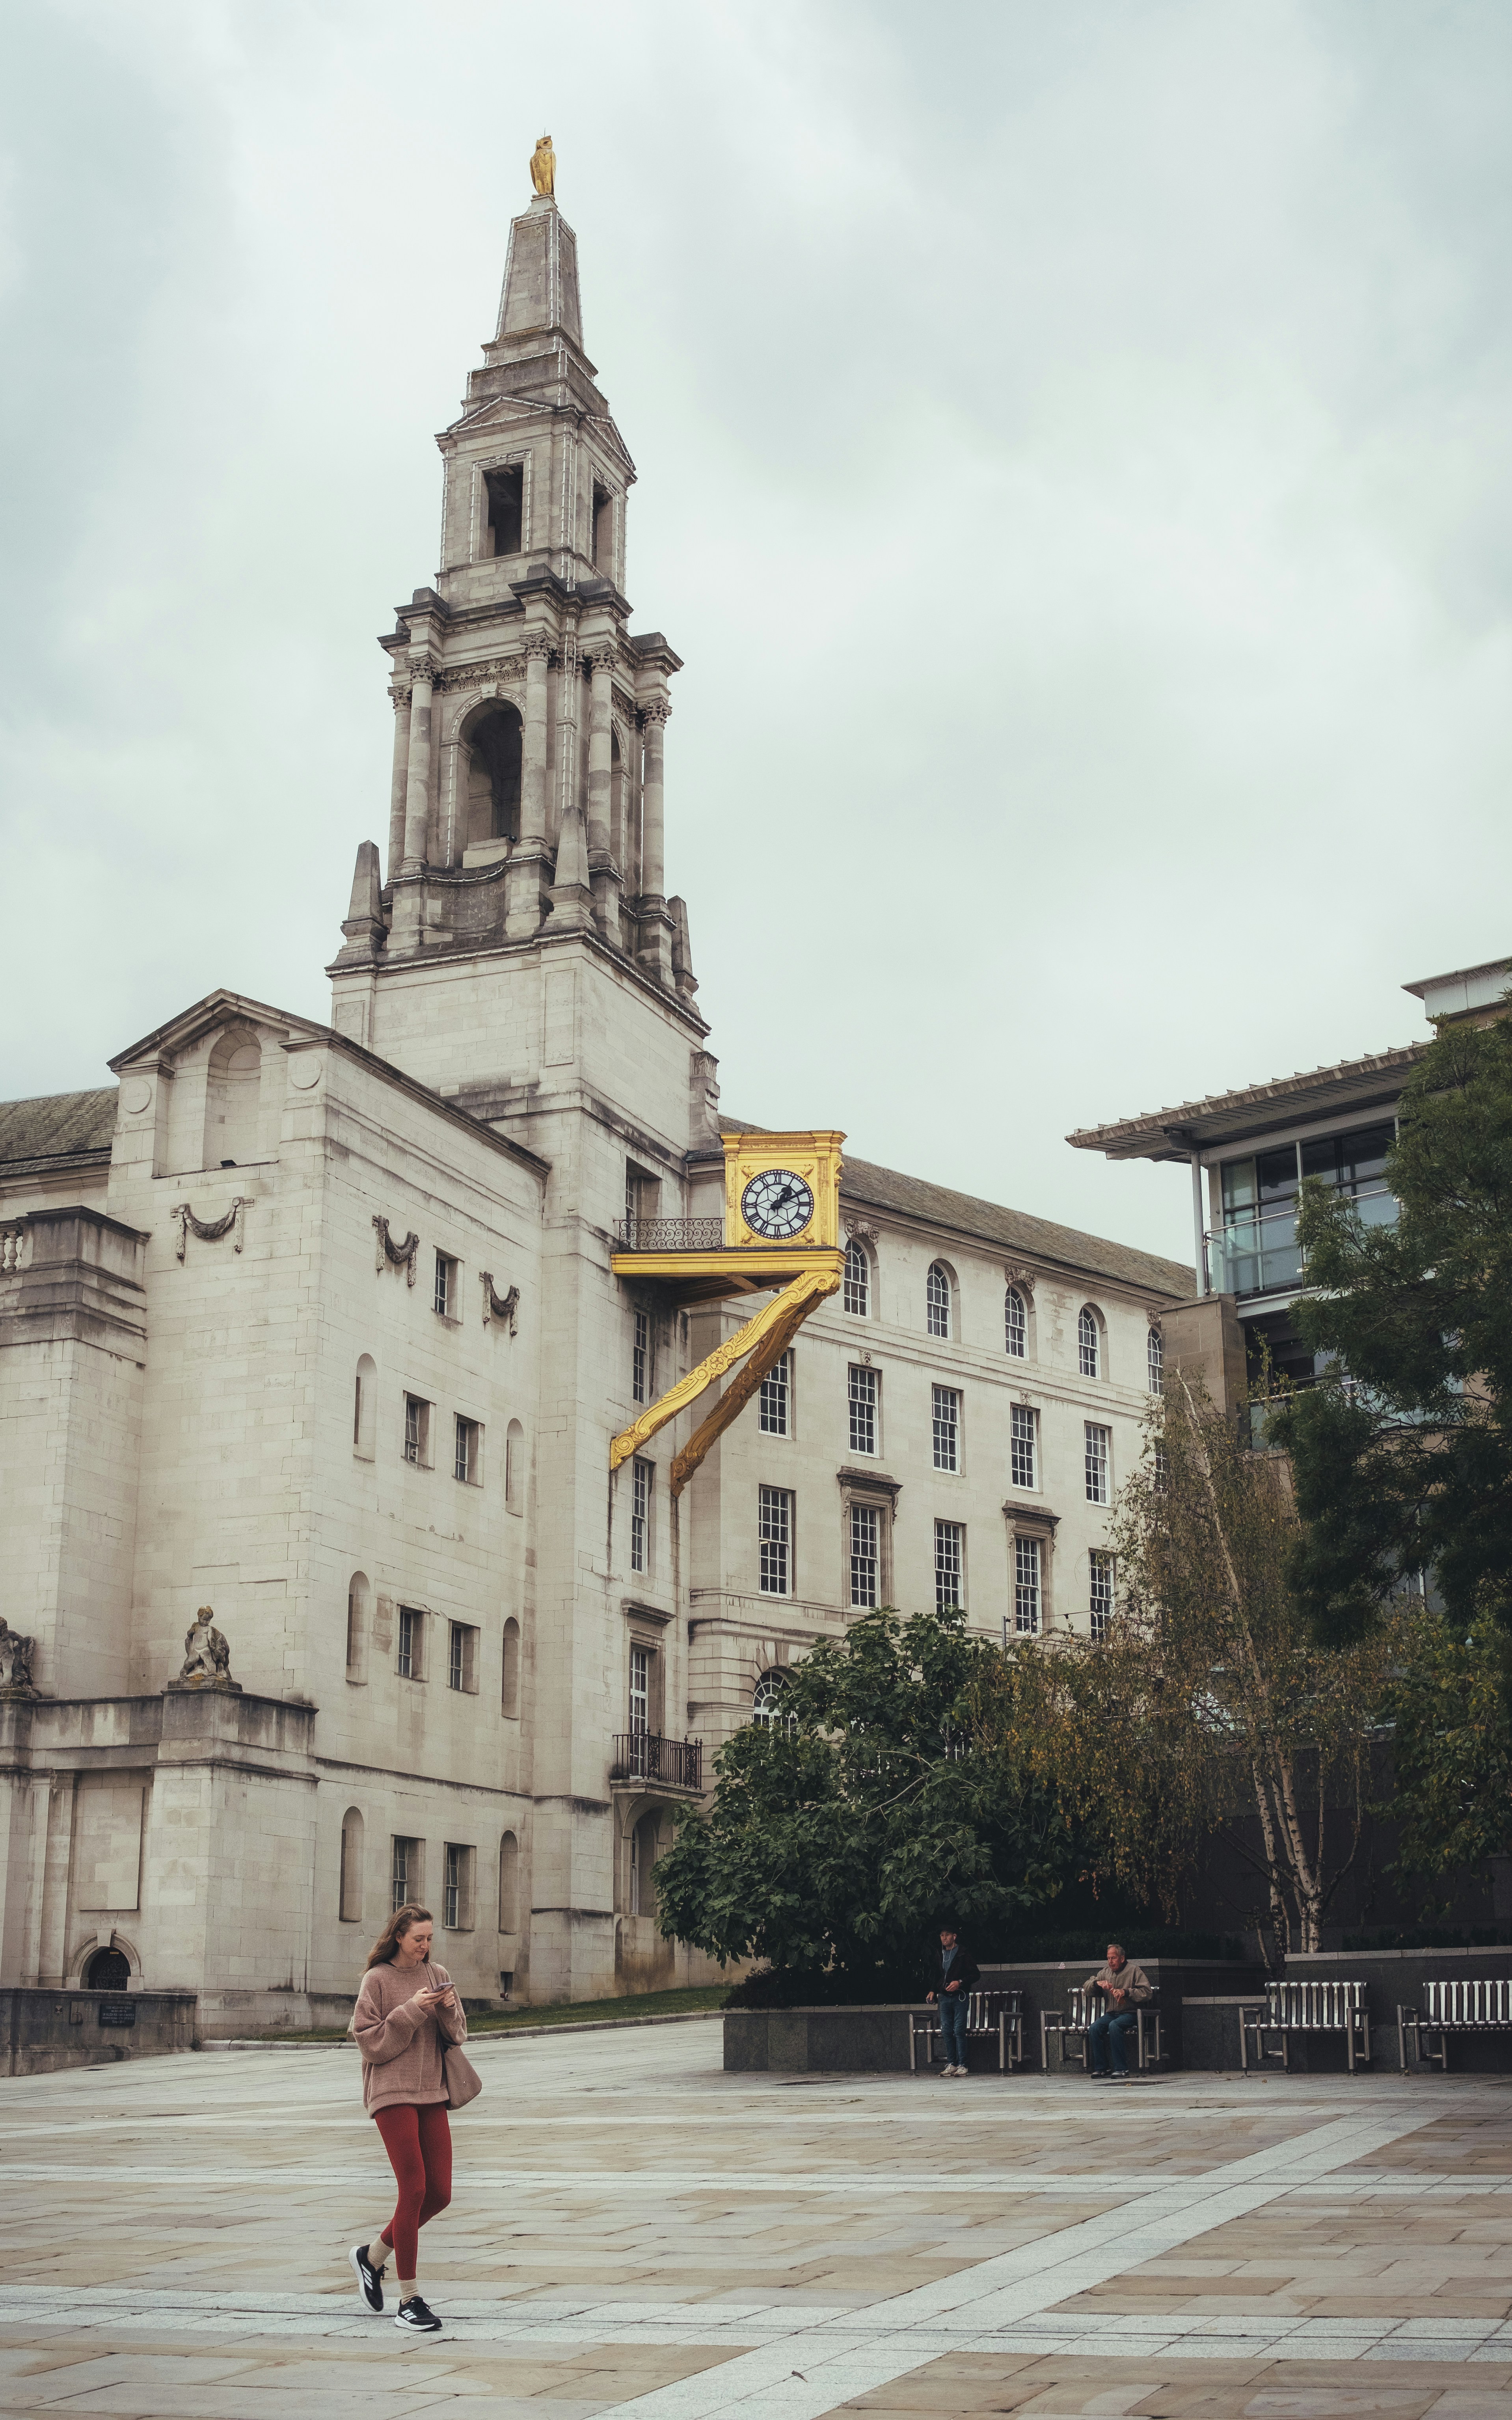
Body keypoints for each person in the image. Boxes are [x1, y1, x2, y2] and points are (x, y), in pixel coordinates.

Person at [348, 1902, 468, 2332]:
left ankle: (372, 2256)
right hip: (391, 2092)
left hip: (432, 2091)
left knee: (440, 2193)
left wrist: (449, 2007)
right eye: (418, 1938)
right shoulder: (376, 1980)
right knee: (414, 2188)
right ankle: (409, 2299)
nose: (425, 1946)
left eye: (430, 1938)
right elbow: (370, 2043)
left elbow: (457, 2035)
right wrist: (413, 2009)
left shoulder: (436, 1974)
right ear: (398, 1936)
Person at [1082, 1941, 1151, 2081]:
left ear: (1122, 1958)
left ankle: (1122, 2069)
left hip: (1132, 2013)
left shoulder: (1134, 1971)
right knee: (1095, 2028)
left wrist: (1126, 1992)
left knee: (1115, 2026)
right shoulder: (1105, 1972)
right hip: (1112, 2013)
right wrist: (1097, 1984)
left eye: (1113, 1958)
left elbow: (1147, 1993)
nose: (1110, 1962)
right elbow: (1087, 1986)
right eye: (1108, 1958)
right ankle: (1102, 2068)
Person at [924, 1924, 979, 2076]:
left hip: (960, 1997)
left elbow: (976, 1974)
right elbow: (936, 1974)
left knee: (959, 2030)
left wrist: (960, 1982)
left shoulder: (963, 1953)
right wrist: (932, 1990)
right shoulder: (940, 1954)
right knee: (947, 2031)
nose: (944, 1938)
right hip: (944, 1998)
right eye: (942, 1936)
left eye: (947, 1935)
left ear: (954, 1937)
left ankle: (963, 2065)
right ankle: (952, 2063)